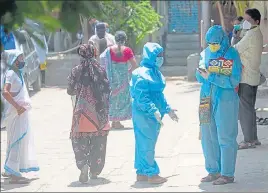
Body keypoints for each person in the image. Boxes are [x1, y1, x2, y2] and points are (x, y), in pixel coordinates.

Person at [196, 25, 242, 185]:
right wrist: (201, 73)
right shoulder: (205, 53)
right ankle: (213, 171)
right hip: (206, 99)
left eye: (215, 42)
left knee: (226, 135)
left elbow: (234, 80)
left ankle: (227, 174)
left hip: (226, 100)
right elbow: (200, 77)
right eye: (210, 42)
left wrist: (213, 77)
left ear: (223, 39)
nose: (212, 45)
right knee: (207, 136)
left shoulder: (232, 54)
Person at [130, 42, 178, 184]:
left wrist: (167, 109)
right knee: (147, 143)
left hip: (153, 114)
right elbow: (141, 97)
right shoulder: (140, 73)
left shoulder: (155, 72)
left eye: (161, 55)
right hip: (143, 114)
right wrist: (153, 110)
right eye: (158, 55)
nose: (161, 58)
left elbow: (159, 95)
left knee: (144, 143)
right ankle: (152, 174)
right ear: (150, 56)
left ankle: (141, 172)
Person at [67, 43, 111, 183]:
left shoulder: (76, 71)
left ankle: (83, 165)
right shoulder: (100, 70)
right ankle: (94, 170)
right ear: (94, 53)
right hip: (99, 115)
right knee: (99, 143)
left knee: (79, 141)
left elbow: (70, 90)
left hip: (81, 114)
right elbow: (106, 89)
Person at [2, 50, 39, 184]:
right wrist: (17, 106)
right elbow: (5, 92)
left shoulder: (18, 73)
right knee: (16, 140)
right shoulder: (11, 74)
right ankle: (14, 175)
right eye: (20, 58)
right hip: (16, 113)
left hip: (21, 113)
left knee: (16, 140)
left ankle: (10, 169)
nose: (23, 60)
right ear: (14, 60)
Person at [234, 8, 263, 149]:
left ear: (256, 21)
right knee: (250, 109)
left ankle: (247, 140)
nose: (245, 22)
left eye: (248, 20)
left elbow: (235, 49)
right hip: (253, 76)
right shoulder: (255, 32)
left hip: (246, 77)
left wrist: (234, 35)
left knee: (245, 110)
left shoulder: (251, 34)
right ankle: (254, 138)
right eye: (244, 20)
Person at [100, 31, 138, 129]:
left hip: (111, 80)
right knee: (122, 101)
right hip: (123, 81)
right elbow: (135, 65)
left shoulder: (108, 51)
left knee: (112, 100)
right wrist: (127, 72)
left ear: (115, 39)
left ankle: (114, 121)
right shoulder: (127, 50)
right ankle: (118, 122)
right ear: (125, 39)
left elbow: (102, 61)